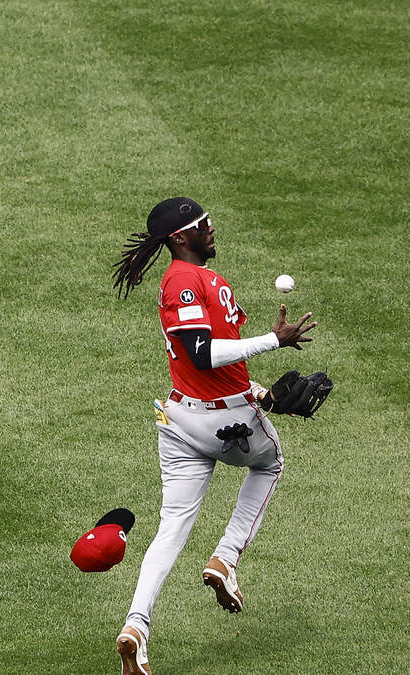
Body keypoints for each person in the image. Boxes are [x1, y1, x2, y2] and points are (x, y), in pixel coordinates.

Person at [109, 197, 318, 673]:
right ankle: (225, 557)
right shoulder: (183, 280)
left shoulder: (202, 281)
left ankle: (135, 628)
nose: (212, 228)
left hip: (183, 420)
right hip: (224, 422)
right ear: (180, 237)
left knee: (171, 529)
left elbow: (220, 367)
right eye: (203, 224)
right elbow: (202, 354)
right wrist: (274, 341)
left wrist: (263, 395)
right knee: (271, 462)